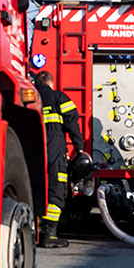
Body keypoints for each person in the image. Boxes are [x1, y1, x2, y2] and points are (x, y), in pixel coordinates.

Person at [33, 70, 85, 248]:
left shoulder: (29, 96)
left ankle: (37, 232)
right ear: (50, 82)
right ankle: (50, 234)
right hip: (54, 146)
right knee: (56, 187)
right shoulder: (58, 97)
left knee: (37, 188)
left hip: (33, 148)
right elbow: (72, 121)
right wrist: (79, 146)